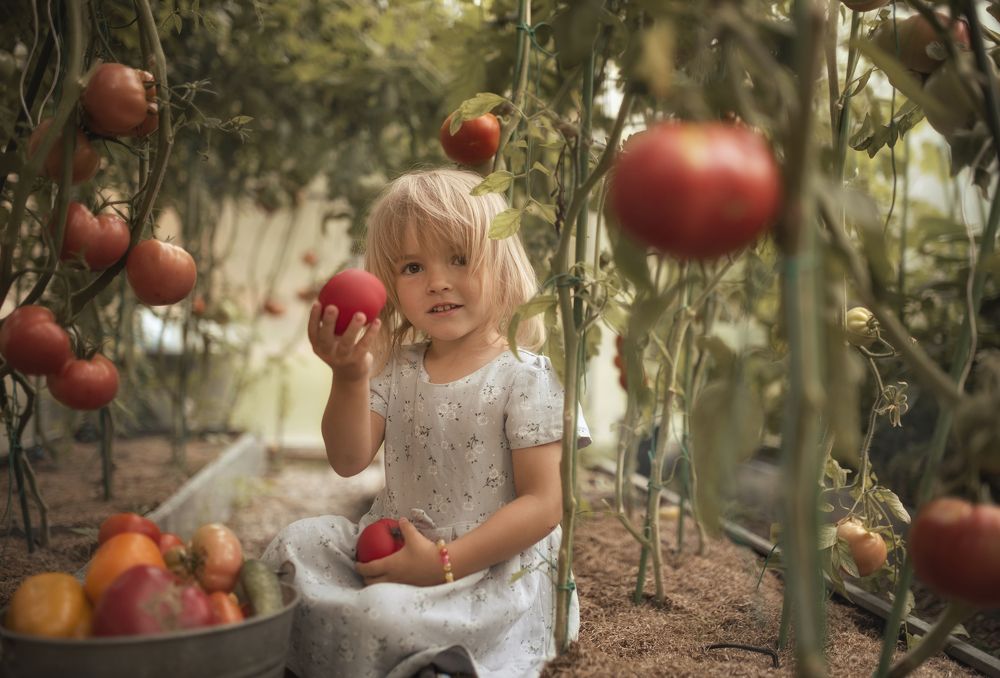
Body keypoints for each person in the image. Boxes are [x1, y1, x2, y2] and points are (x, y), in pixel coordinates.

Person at [262, 167, 591, 678]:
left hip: (485, 568)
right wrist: (349, 376)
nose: (437, 281)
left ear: (501, 265)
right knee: (297, 544)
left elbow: (544, 505)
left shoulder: (525, 376)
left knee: (382, 616)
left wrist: (443, 563)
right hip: (394, 547)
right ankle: (395, 645)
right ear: (390, 285)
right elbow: (348, 461)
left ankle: (427, 658)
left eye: (459, 258)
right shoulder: (396, 371)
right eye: (412, 267)